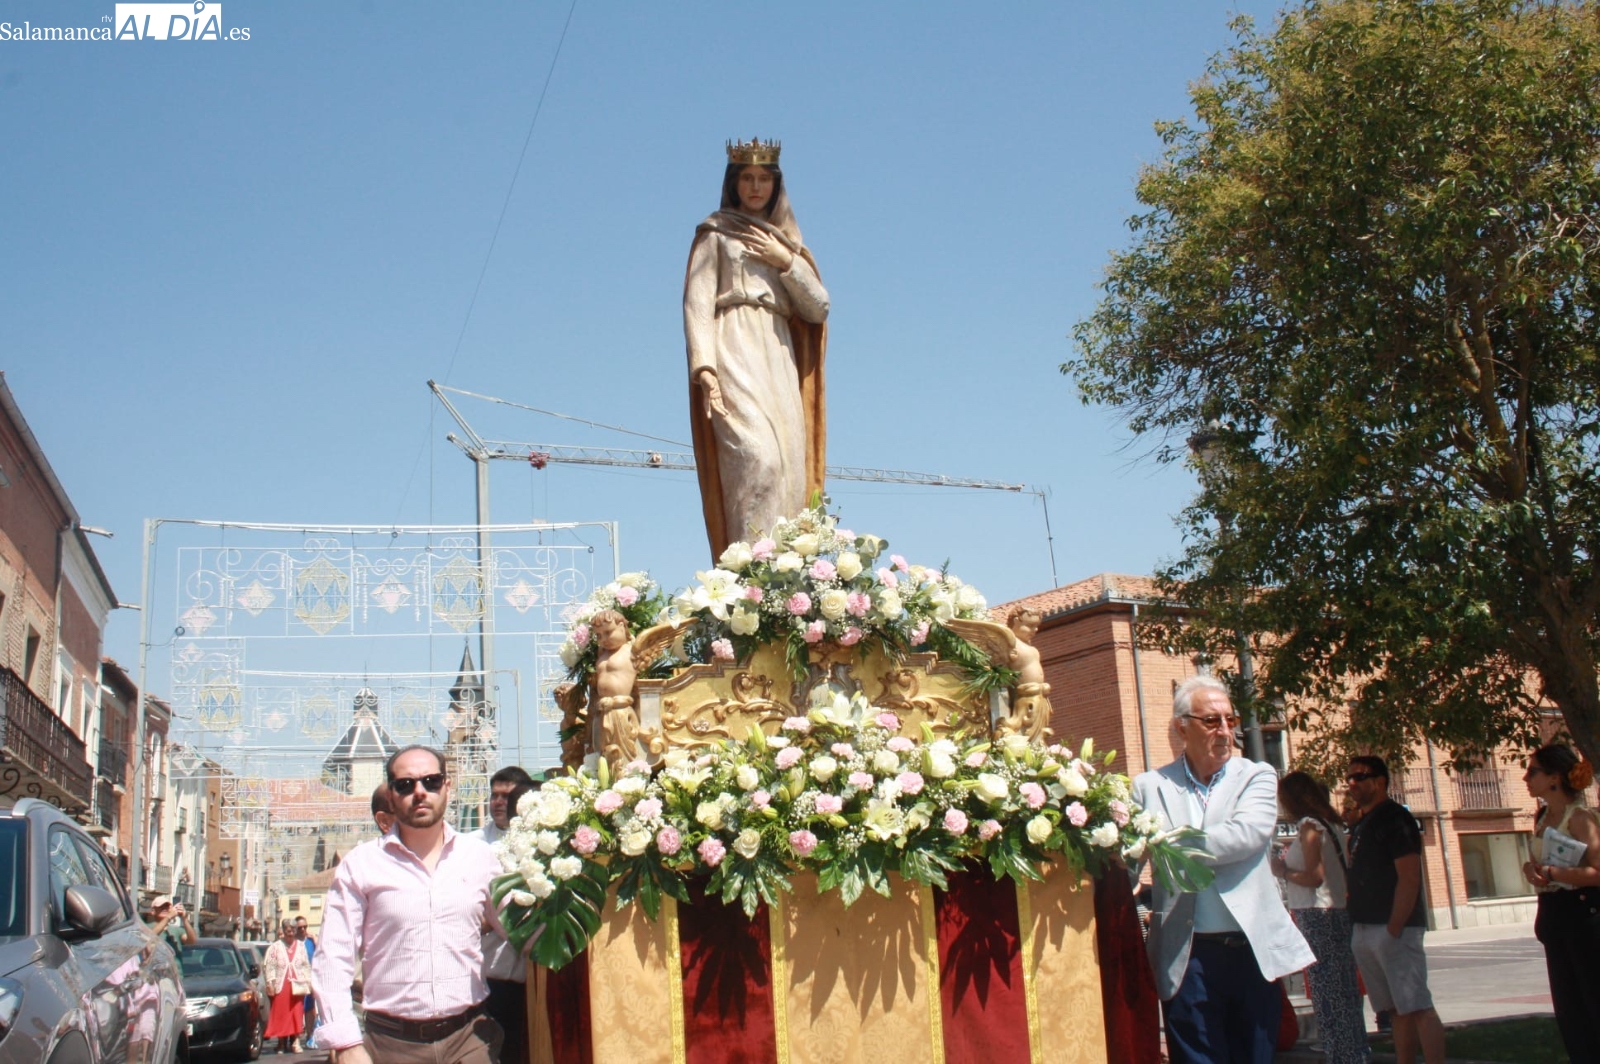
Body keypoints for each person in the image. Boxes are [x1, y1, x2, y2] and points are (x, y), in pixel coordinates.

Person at [1131, 676, 1314, 1063]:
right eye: (1212, 721)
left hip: (1250, 951)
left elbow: (1244, 836)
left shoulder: (1257, 776)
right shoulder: (1148, 786)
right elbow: (1127, 862)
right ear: (1183, 725)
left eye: (1231, 720)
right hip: (1187, 955)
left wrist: (1163, 841)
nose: (1226, 731)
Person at [313, 744, 505, 1064]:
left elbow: (521, 930)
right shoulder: (361, 865)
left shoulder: (480, 859)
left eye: (430, 781)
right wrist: (345, 1042)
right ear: (391, 795)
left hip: (470, 1041)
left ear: (446, 786)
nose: (420, 792)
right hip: (391, 1045)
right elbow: (333, 956)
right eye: (406, 785)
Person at [684, 136, 830, 557]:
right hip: (733, 342)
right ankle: (749, 575)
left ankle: (788, 576)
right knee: (756, 458)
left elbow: (819, 309)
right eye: (746, 177)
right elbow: (697, 301)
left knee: (788, 467)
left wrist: (784, 261)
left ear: (776, 186)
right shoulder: (716, 233)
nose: (755, 186)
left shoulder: (787, 247)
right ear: (733, 183)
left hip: (778, 349)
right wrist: (704, 366)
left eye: (764, 178)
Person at [1344, 755, 1446, 1064]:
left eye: (1359, 777)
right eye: (1349, 777)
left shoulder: (1395, 818)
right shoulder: (1363, 822)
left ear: (1380, 781)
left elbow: (1410, 875)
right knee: (1395, 1009)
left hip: (1393, 928)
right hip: (1364, 925)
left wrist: (1394, 926)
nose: (1352, 783)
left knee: (1416, 1005)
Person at [1270, 772, 1369, 1063]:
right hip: (1337, 911)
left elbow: (1313, 877)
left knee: (1327, 992)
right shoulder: (1333, 823)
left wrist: (1282, 871)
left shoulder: (1309, 826)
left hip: (1316, 913)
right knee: (1345, 989)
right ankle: (1354, 1052)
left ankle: (1340, 1054)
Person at [1519, 743, 1600, 1063]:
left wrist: (1554, 872)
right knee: (1570, 1010)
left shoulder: (1579, 817)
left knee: (1592, 1002)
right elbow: (1537, 862)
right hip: (1553, 917)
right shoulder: (1542, 817)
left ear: (1554, 778)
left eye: (1533, 771)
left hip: (1582, 916)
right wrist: (1533, 870)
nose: (1526, 778)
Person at [476, 772, 537, 1064]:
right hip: (492, 977)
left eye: (507, 797)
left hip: (533, 975)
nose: (500, 803)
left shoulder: (542, 841)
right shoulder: (472, 846)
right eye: (495, 795)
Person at [264, 917, 313, 1053]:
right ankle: (281, 1043)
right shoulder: (276, 947)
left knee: (296, 1013)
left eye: (292, 930)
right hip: (282, 985)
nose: (290, 933)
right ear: (283, 931)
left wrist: (309, 981)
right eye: (288, 930)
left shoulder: (301, 946)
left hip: (297, 985)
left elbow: (305, 965)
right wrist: (270, 982)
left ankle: (295, 1042)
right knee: (282, 1014)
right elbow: (270, 966)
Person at [473, 766, 535, 846]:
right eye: (494, 795)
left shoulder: (537, 840)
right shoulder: (476, 842)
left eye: (506, 796)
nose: (498, 802)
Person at [147, 895, 197, 963]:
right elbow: (149, 937)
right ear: (153, 911)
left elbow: (192, 942)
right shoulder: (146, 927)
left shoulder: (176, 930)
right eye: (161, 907)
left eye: (167, 907)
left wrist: (184, 919)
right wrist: (168, 917)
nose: (165, 909)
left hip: (176, 972)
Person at [296, 916, 318, 1040]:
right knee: (298, 1007)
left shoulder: (310, 942)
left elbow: (321, 954)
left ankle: (310, 1034)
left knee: (310, 1007)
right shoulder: (293, 942)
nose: (303, 929)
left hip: (310, 978)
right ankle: (297, 1036)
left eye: (305, 927)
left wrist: (315, 939)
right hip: (297, 979)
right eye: (300, 928)